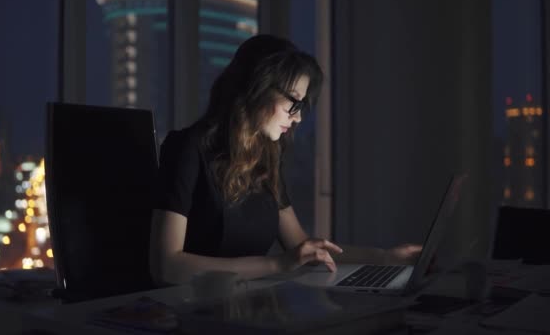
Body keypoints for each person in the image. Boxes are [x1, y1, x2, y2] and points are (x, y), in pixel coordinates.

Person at [149, 34, 421, 286]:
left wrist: (385, 258)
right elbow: (167, 265)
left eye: (301, 106)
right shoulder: (186, 148)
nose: (298, 117)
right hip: (189, 312)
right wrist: (278, 264)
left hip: (246, 311)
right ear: (257, 87)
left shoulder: (266, 158)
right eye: (294, 102)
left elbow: (301, 247)